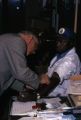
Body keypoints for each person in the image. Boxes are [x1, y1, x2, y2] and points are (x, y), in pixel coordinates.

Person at [18, 27, 81, 101]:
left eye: (62, 41)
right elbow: (48, 77)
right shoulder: (60, 55)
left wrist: (35, 96)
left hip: (61, 99)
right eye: (57, 40)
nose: (58, 44)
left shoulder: (70, 60)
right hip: (50, 95)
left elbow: (55, 79)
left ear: (71, 43)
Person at [0, 31, 50, 96]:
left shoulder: (10, 39)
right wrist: (40, 80)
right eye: (35, 46)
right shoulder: (18, 40)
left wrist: (25, 85)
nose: (34, 52)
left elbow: (11, 76)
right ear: (29, 38)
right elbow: (21, 72)